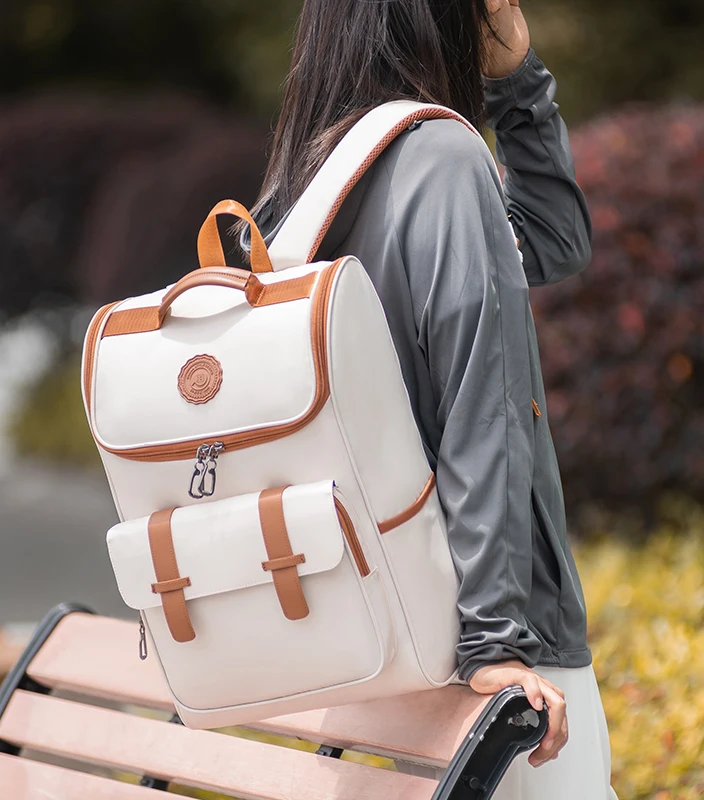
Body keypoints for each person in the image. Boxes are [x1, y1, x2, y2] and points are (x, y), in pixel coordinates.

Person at [241, 1, 618, 797]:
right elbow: (485, 414)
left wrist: (518, 82)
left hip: (361, 631)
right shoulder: (442, 158)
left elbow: (550, 241)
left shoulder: (302, 187)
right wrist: (497, 649)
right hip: (485, 645)